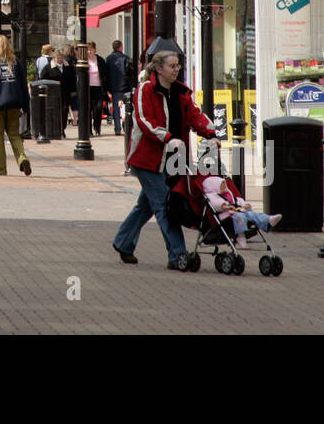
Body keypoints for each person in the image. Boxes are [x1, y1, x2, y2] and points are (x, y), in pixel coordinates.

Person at [113, 50, 216, 269]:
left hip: (174, 159)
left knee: (146, 205)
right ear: (159, 69)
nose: (176, 69)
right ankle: (177, 254)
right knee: (164, 205)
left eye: (178, 65)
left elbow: (195, 116)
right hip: (147, 159)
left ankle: (123, 242)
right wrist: (168, 138)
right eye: (172, 66)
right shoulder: (145, 89)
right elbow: (144, 121)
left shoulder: (180, 93)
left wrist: (211, 133)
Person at [0, 35, 32, 176]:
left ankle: (0, 169)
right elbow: (23, 86)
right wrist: (26, 106)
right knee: (14, 134)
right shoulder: (16, 63)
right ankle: (22, 158)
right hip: (14, 104)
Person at [201, 175, 281, 249]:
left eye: (224, 185)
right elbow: (215, 203)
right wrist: (225, 206)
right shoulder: (212, 196)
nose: (224, 187)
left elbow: (237, 200)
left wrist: (245, 205)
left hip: (238, 211)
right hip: (227, 215)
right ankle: (240, 236)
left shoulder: (228, 194)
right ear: (214, 188)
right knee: (240, 217)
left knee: (252, 214)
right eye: (221, 187)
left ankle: (269, 220)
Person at [105, 40, 130, 136]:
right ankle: (125, 125)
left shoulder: (108, 59)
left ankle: (117, 128)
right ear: (121, 47)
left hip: (114, 86)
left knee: (116, 108)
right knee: (125, 107)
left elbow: (106, 74)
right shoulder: (125, 58)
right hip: (124, 86)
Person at [87, 41, 108, 135]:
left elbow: (105, 74)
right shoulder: (84, 60)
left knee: (98, 109)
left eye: (91, 49)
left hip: (99, 88)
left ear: (95, 49)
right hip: (88, 88)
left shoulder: (100, 60)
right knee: (88, 109)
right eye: (88, 49)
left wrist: (106, 88)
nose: (89, 51)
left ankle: (97, 128)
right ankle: (89, 130)